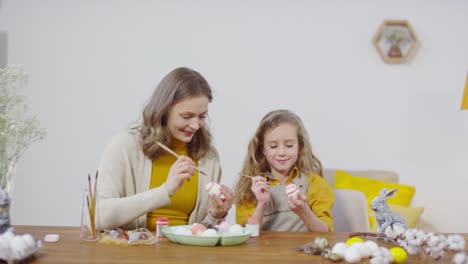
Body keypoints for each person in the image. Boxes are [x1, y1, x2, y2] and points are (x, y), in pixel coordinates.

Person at [96, 67, 233, 231]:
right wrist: (166, 190)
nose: (196, 125)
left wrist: (215, 214)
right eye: (186, 116)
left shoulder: (208, 157)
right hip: (134, 252)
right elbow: (99, 217)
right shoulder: (124, 146)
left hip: (187, 255)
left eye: (202, 116)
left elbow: (201, 230)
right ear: (164, 110)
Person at [234, 109, 334, 232]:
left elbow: (326, 233)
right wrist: (261, 204)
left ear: (300, 147)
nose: (281, 153)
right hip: (264, 251)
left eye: (289, 145)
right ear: (263, 149)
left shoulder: (315, 184)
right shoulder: (250, 188)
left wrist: (304, 212)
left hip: (303, 250)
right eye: (273, 146)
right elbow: (246, 235)